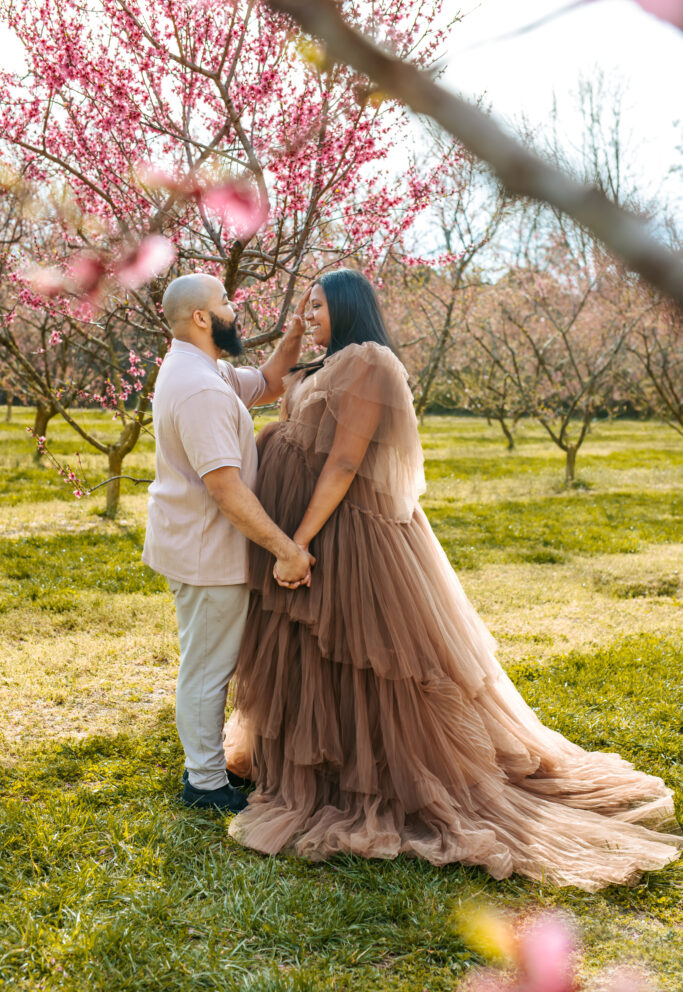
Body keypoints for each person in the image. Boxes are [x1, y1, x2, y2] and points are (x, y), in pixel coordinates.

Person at [225, 267, 682, 891]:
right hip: (306, 530)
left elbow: (346, 460)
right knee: (315, 653)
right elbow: (275, 394)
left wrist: (299, 541)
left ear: (352, 307)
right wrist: (294, 340)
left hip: (348, 534)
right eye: (305, 301)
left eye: (320, 303)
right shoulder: (322, 365)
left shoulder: (369, 361)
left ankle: (380, 776)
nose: (310, 311)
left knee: (375, 660)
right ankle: (316, 767)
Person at [142, 273, 313, 812]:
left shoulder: (205, 368)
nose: (234, 308)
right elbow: (225, 488)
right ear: (200, 317)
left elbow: (266, 384)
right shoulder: (196, 388)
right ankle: (205, 784)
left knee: (209, 660)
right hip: (204, 551)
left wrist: (294, 336)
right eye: (225, 302)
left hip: (199, 542)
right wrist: (285, 548)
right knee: (207, 667)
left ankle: (207, 773)